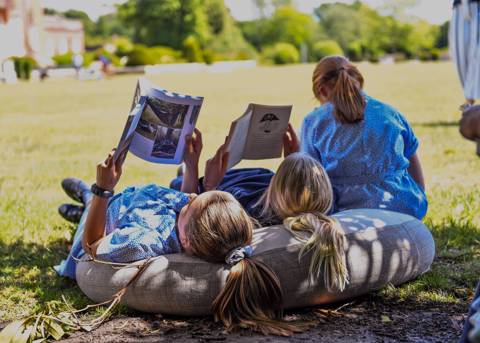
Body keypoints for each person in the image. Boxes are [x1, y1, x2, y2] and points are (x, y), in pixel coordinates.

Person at [56, 134, 305, 335]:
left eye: (190, 203)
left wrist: (103, 190)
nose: (191, 195)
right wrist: (191, 163)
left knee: (90, 205)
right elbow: (191, 211)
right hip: (126, 200)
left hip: (107, 208)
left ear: (185, 240)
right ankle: (84, 202)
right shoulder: (190, 224)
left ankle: (87, 200)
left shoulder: (144, 240)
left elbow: (92, 246)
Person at [173, 133, 348, 291]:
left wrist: (203, 179)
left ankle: (184, 172)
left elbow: (197, 218)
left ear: (275, 188)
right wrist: (294, 162)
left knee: (178, 181)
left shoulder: (249, 209)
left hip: (223, 186)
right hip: (248, 182)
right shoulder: (327, 210)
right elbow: (305, 198)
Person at [300, 55, 428, 219]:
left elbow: (309, 176)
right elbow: (412, 156)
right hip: (403, 209)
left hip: (346, 216)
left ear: (322, 90)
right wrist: (420, 197)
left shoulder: (314, 122)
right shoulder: (390, 113)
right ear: (359, 80)